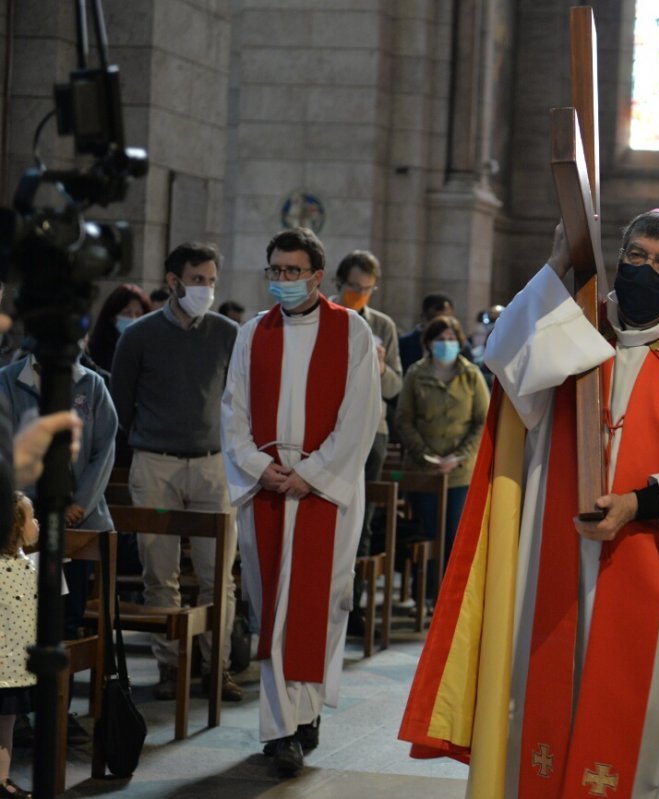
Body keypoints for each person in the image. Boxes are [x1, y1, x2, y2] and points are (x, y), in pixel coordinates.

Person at [400, 210, 659, 796]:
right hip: (553, 552)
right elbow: (505, 354)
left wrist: (636, 504)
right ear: (618, 255)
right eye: (636, 255)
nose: (646, 270)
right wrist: (558, 262)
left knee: (633, 720)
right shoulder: (571, 331)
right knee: (538, 709)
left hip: (647, 563)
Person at [221, 227, 381, 778]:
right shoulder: (250, 334)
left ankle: (304, 712)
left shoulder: (352, 331)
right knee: (272, 609)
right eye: (275, 271)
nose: (283, 281)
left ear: (317, 275)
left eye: (293, 271)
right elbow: (232, 410)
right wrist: (260, 466)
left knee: (321, 603)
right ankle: (282, 730)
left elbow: (361, 416)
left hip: (323, 491)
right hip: (267, 483)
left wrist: (311, 474)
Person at [110, 242, 242, 703]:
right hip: (156, 464)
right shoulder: (140, 336)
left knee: (216, 576)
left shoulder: (228, 333)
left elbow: (238, 400)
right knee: (159, 572)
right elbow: (120, 403)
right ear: (173, 281)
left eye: (210, 281)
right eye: (197, 280)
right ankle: (170, 668)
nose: (204, 288)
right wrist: (152, 436)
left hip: (211, 464)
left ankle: (216, 668)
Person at [0, 350, 116, 640]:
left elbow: (105, 448)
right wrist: (28, 506)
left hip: (80, 514)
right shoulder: (8, 380)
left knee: (68, 613)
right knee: (21, 613)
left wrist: (80, 503)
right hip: (22, 512)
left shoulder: (92, 384)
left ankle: (64, 673)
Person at [332, 249, 402, 634]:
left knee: (363, 520)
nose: (360, 294)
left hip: (372, 432)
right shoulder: (325, 319)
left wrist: (378, 365)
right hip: (332, 430)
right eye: (353, 287)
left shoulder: (382, 326)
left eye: (367, 289)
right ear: (338, 284)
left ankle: (353, 604)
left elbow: (396, 385)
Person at [394, 315, 487, 596]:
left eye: (451, 339)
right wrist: (425, 455)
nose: (446, 344)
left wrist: (460, 455)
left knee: (454, 534)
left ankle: (450, 595)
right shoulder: (415, 373)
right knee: (428, 531)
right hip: (423, 470)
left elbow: (482, 420)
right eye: (440, 339)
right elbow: (404, 419)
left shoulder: (471, 375)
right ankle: (424, 589)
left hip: (459, 470)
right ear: (429, 342)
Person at [0, 493, 38, 799]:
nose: (36, 522)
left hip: (15, 667)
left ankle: (2, 778)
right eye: (31, 517)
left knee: (6, 727)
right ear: (15, 526)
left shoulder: (30, 567)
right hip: (5, 665)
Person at [86, 284, 152, 373]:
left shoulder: (149, 353)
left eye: (138, 314)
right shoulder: (94, 354)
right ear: (112, 317)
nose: (133, 319)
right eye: (126, 313)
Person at [398, 292, 454, 373]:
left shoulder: (460, 347)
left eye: (447, 321)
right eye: (434, 319)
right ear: (423, 317)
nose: (440, 327)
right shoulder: (403, 344)